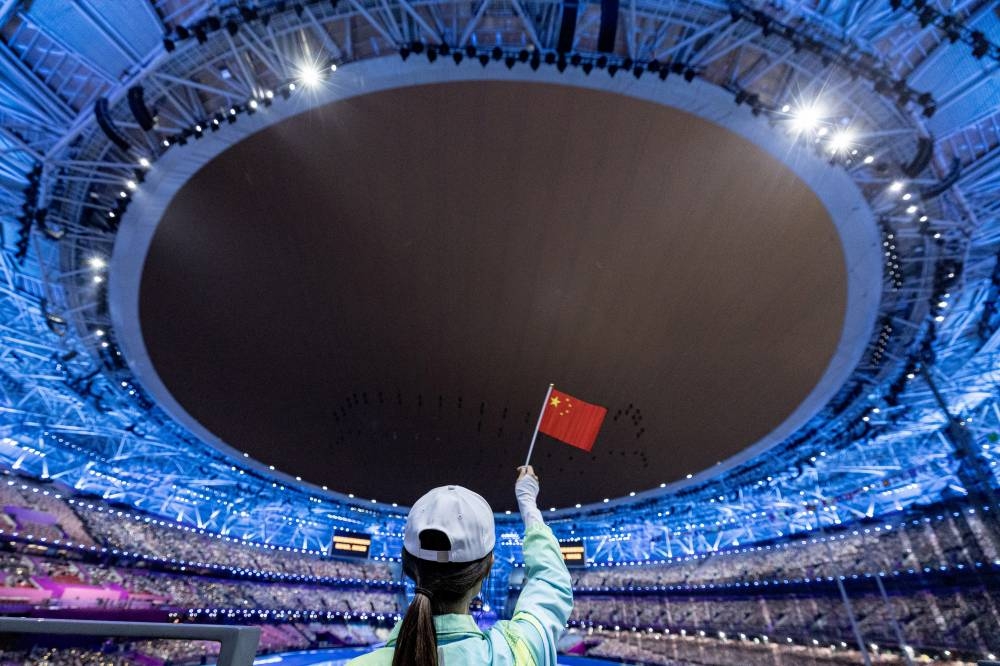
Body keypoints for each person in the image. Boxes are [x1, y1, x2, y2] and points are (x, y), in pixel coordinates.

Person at [348, 465, 572, 666]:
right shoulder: (516, 653)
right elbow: (551, 580)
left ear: (407, 566)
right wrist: (527, 502)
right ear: (487, 567)